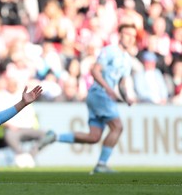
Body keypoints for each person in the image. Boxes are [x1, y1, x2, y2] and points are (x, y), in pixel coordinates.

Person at [39, 23, 137, 174]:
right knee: (118, 127)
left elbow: (122, 84)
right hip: (99, 94)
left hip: (104, 96)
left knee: (94, 137)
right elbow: (95, 71)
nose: (130, 38)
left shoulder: (127, 60)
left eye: (133, 36)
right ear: (120, 35)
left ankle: (55, 137)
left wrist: (127, 98)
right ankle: (101, 165)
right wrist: (108, 89)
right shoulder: (110, 51)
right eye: (127, 34)